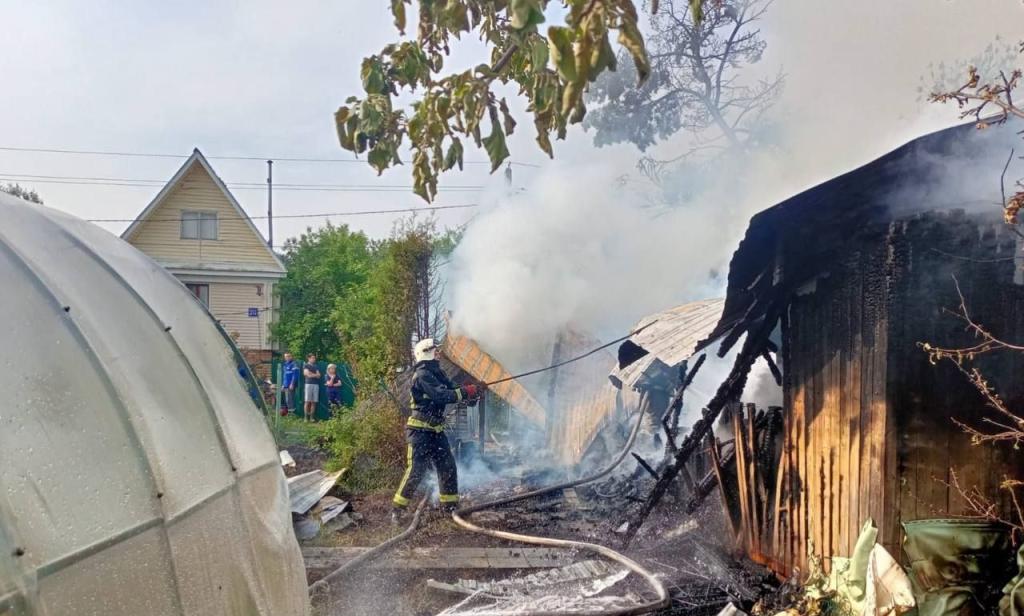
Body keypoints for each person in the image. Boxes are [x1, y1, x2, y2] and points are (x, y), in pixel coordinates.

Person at [392, 338, 483, 523]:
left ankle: (449, 508)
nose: (439, 354)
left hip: (436, 431)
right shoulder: (423, 374)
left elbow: (453, 390)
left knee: (447, 466)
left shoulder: (437, 373)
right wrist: (466, 392)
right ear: (427, 353)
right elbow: (442, 396)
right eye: (436, 351)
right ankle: (397, 510)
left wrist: (473, 392)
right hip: (419, 432)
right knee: (416, 470)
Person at [303, 353, 321, 422]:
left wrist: (312, 374)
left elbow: (319, 375)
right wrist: (315, 375)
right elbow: (307, 374)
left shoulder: (316, 366)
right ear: (309, 358)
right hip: (308, 384)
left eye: (314, 358)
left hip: (316, 385)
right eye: (312, 358)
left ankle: (311, 417)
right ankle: (305, 418)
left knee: (314, 402)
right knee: (307, 401)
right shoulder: (306, 365)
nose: (314, 359)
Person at [281, 352, 299, 416]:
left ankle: (292, 413)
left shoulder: (294, 364)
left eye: (288, 356)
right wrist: (283, 384)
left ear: (291, 357)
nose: (287, 358)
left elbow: (295, 375)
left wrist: (292, 384)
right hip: (286, 385)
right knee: (287, 399)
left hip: (290, 385)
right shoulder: (285, 364)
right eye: (286, 356)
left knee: (290, 399)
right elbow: (284, 376)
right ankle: (289, 412)